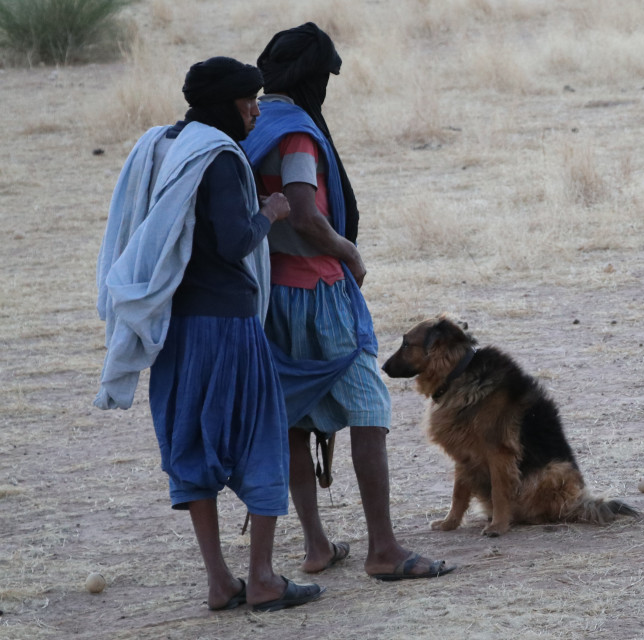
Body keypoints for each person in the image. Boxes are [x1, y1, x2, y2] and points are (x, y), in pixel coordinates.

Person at [96, 57, 324, 611]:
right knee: (261, 435)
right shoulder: (219, 159)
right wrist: (269, 212)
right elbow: (231, 243)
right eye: (249, 100)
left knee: (191, 441)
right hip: (227, 328)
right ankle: (264, 578)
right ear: (228, 103)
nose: (255, 111)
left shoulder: (163, 143)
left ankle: (220, 581)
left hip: (177, 327)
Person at [241, 23, 453, 580]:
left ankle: (316, 545)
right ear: (314, 80)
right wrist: (349, 253)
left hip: (268, 296)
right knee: (369, 409)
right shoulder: (296, 136)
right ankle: (382, 549)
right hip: (318, 293)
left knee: (290, 419)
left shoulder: (246, 126)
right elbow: (307, 214)